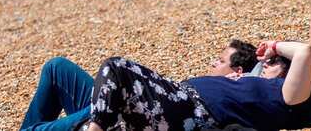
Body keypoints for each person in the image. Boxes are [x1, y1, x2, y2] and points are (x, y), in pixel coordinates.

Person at [77, 39, 311, 131]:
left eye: (273, 63)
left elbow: (305, 51)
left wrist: (274, 46)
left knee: (118, 67)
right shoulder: (257, 85)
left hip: (189, 108)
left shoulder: (287, 97)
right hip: (176, 102)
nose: (266, 65)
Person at [19, 40, 259, 131]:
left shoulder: (222, 102)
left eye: (220, 61)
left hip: (118, 119)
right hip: (114, 107)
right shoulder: (212, 87)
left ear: (237, 73)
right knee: (56, 67)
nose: (213, 62)